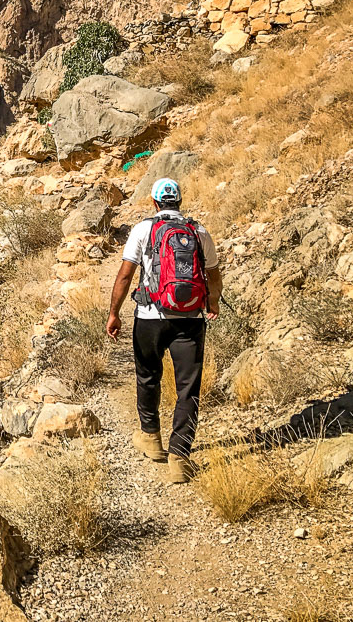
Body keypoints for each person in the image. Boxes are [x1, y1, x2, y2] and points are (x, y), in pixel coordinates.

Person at [107, 178, 222, 484]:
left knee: (148, 375)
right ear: (179, 202)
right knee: (188, 388)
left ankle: (151, 438)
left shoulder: (144, 229)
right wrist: (213, 304)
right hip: (191, 319)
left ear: (155, 203)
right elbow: (213, 275)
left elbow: (125, 274)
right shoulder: (198, 231)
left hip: (150, 317)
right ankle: (180, 459)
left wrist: (114, 313)